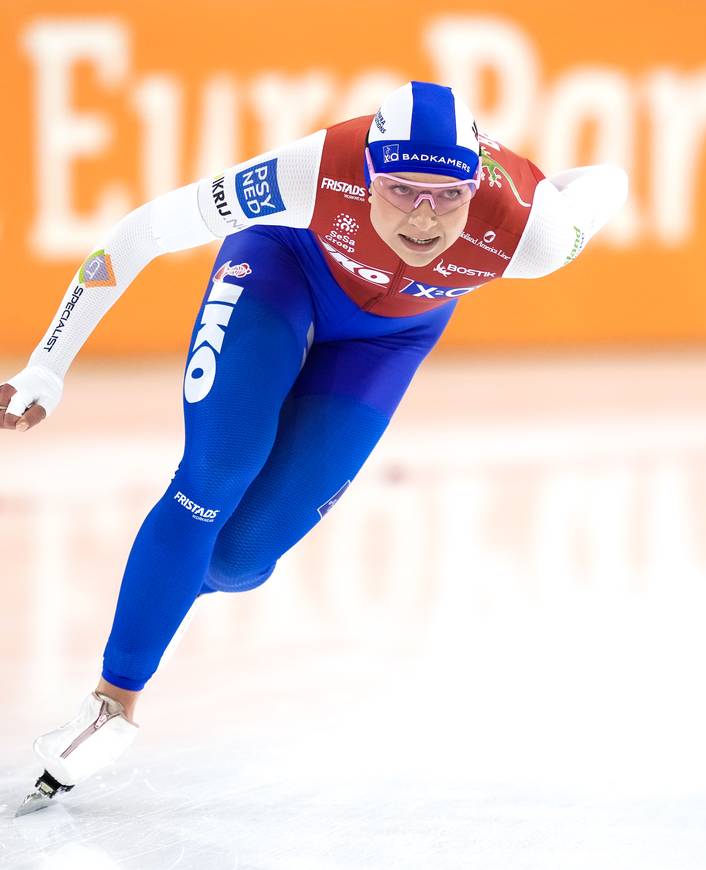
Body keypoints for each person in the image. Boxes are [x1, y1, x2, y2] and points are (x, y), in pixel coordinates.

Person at [3, 80, 628, 814]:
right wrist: (48, 359)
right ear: (367, 175)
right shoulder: (310, 172)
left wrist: (549, 193)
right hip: (281, 272)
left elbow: (607, 182)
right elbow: (138, 234)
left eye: (447, 197)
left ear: (473, 184)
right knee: (216, 472)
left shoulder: (535, 233)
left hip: (391, 336)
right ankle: (113, 702)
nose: (423, 219)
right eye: (399, 191)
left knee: (237, 560)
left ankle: (168, 577)